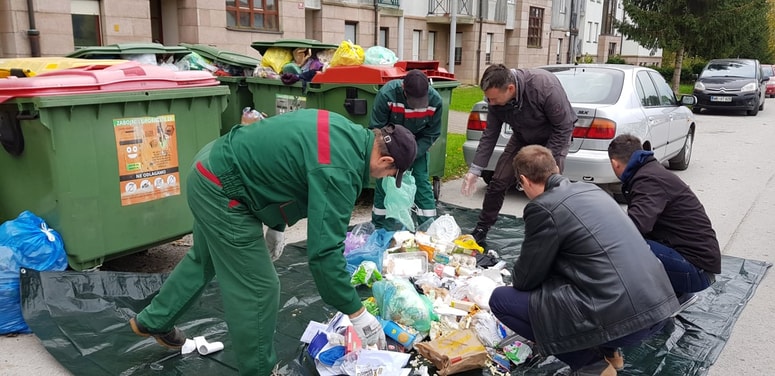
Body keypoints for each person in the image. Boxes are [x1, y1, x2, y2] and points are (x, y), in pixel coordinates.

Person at [129, 109, 417, 376]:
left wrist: (276, 226)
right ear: (385, 161)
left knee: (204, 259)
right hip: (222, 189)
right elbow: (324, 254)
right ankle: (259, 370)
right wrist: (357, 312)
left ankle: (153, 320)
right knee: (259, 288)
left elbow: (284, 167)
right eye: (390, 175)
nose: (384, 178)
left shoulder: (346, 132)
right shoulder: (340, 171)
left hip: (213, 163)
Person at [488, 145, 679, 376]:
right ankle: (612, 355)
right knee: (597, 276)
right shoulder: (593, 190)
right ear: (556, 169)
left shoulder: (543, 207)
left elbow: (526, 278)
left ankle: (591, 366)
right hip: (658, 306)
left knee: (501, 301)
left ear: (524, 180)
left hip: (624, 321)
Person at [460, 63, 576, 245]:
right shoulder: (494, 100)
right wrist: (475, 170)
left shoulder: (544, 86)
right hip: (522, 136)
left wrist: (545, 160)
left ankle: (552, 237)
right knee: (498, 182)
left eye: (494, 99)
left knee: (549, 189)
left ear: (510, 89)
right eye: (488, 99)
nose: (491, 103)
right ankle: (481, 229)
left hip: (554, 139)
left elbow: (564, 127)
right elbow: (490, 134)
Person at [608, 134, 720, 309]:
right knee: (630, 242)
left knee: (628, 247)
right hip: (696, 263)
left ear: (615, 163)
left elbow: (635, 228)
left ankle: (673, 297)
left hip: (697, 271)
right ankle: (675, 292)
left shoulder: (648, 180)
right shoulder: (649, 172)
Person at [369, 69, 444, 229]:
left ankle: (429, 229)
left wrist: (412, 153)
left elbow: (431, 133)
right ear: (403, 88)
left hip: (418, 148)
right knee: (385, 182)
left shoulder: (435, 101)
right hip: (389, 148)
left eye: (420, 101)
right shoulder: (387, 95)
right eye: (413, 101)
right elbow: (376, 129)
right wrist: (392, 154)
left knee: (421, 183)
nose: (416, 107)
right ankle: (381, 229)